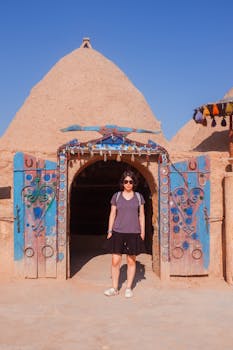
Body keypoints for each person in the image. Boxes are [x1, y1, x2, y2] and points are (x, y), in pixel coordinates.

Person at [104, 170, 145, 298]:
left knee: (131, 261)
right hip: (118, 232)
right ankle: (114, 288)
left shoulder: (139, 197)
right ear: (122, 183)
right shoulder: (116, 196)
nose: (128, 184)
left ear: (134, 183)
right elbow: (112, 214)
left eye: (130, 182)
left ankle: (128, 288)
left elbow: (142, 215)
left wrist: (142, 231)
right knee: (115, 261)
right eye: (126, 181)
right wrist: (109, 230)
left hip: (133, 232)